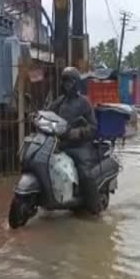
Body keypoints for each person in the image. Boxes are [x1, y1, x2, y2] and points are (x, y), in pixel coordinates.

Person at [49, 67, 101, 212]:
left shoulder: (84, 102)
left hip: (80, 146)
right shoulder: (59, 102)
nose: (67, 85)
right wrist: (36, 116)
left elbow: (93, 128)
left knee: (85, 174)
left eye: (70, 81)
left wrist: (76, 133)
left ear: (76, 83)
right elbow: (47, 114)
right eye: (64, 81)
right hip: (61, 145)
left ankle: (95, 208)